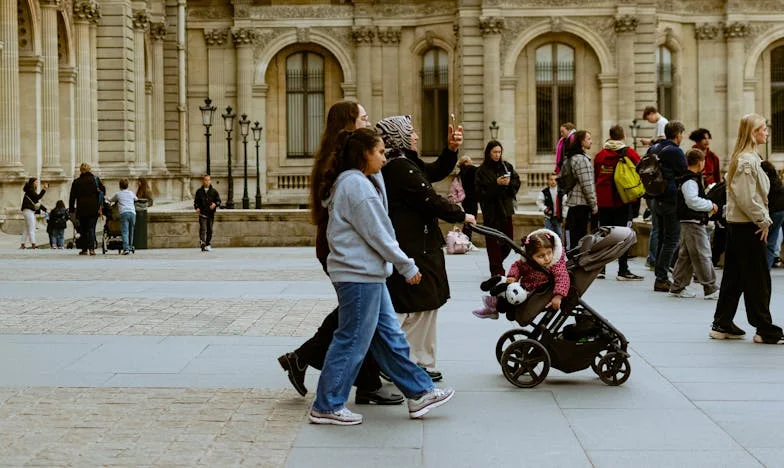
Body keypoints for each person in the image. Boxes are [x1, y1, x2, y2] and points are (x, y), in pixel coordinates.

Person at [309, 127, 455, 425]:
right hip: (359, 276)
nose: (384, 156)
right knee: (351, 340)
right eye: (379, 152)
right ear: (364, 155)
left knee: (390, 339)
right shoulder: (356, 187)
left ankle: (420, 393)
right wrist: (407, 265)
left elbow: (381, 214)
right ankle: (326, 404)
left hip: (367, 274)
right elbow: (379, 232)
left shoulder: (358, 181)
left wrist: (374, 172)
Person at [279, 100, 403, 406]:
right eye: (363, 117)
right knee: (359, 316)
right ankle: (355, 384)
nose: (368, 120)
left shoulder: (348, 156)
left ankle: (364, 381)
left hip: (348, 248)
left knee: (360, 315)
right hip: (344, 249)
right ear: (349, 122)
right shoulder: (341, 162)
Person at [377, 114, 473, 382]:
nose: (416, 136)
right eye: (410, 131)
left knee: (425, 304)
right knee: (414, 305)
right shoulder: (398, 167)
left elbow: (433, 172)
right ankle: (402, 360)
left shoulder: (406, 163)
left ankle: (418, 359)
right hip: (413, 246)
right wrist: (460, 214)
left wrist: (451, 149)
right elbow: (428, 198)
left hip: (420, 243)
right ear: (398, 136)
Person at [710, 114, 784, 344]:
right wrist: (763, 219)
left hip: (740, 226)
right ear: (753, 133)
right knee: (758, 278)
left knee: (736, 276)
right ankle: (764, 327)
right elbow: (746, 197)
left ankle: (723, 323)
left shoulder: (746, 158)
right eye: (763, 129)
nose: (767, 132)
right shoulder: (746, 161)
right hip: (748, 227)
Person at [472, 229, 570, 319]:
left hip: (534, 293)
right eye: (541, 256)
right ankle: (493, 301)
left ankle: (495, 307)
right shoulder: (528, 262)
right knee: (503, 281)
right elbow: (517, 266)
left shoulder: (556, 265)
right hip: (522, 287)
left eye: (549, 253)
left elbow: (563, 278)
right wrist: (512, 276)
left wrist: (558, 296)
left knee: (510, 295)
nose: (547, 258)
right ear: (530, 256)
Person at [593, 125, 644, 281]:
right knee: (624, 235)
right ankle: (623, 270)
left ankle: (600, 269)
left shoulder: (600, 155)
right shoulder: (628, 152)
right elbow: (641, 167)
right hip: (622, 200)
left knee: (604, 235)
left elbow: (596, 175)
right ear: (623, 136)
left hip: (604, 200)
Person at [668, 149, 720, 299]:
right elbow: (692, 201)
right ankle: (710, 287)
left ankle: (677, 286)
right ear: (700, 162)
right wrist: (710, 205)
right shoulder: (690, 180)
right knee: (703, 254)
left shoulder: (687, 178)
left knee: (686, 255)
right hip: (693, 221)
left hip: (688, 221)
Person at [649, 121, 688, 292]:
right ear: (678, 134)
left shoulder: (654, 148)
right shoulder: (675, 151)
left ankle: (660, 274)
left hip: (655, 197)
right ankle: (662, 278)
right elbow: (685, 171)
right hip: (670, 198)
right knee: (671, 239)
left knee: (662, 236)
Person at [476, 140, 521, 275]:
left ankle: (497, 263)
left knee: (508, 242)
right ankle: (496, 270)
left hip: (506, 210)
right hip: (491, 212)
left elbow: (516, 182)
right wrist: (496, 184)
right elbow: (479, 193)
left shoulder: (507, 166)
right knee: (492, 243)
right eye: (494, 152)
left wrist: (508, 184)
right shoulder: (481, 171)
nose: (497, 155)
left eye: (499, 152)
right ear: (489, 153)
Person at [563, 130, 598, 251]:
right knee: (579, 237)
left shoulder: (571, 157)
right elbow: (587, 185)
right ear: (581, 142)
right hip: (581, 204)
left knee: (574, 237)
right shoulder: (581, 160)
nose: (591, 141)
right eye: (588, 139)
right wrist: (593, 205)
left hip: (574, 202)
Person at [69, 163, 104, 256]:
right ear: (89, 169)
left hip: (81, 208)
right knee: (91, 228)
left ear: (80, 170)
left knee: (83, 229)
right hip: (93, 208)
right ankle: (92, 249)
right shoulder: (95, 180)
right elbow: (103, 191)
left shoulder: (76, 182)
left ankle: (84, 249)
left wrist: (71, 209)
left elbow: (72, 197)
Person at [760, 159, 784, 269]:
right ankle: (766, 271)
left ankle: (761, 271)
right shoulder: (777, 182)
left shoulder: (763, 181)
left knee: (762, 241)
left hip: (769, 213)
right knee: (771, 243)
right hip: (780, 212)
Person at [108, 178, 138, 255]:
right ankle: (130, 246)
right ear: (127, 185)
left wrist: (107, 198)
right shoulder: (131, 193)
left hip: (124, 213)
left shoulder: (118, 194)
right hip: (132, 212)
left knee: (125, 231)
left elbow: (111, 200)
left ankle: (126, 248)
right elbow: (136, 199)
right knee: (131, 231)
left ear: (119, 186)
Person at [194, 174, 221, 252]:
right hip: (202, 213)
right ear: (203, 181)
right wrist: (197, 208)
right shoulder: (199, 191)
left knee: (210, 230)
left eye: (209, 180)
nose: (207, 181)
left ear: (210, 181)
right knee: (203, 228)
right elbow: (196, 202)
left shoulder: (214, 191)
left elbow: (219, 201)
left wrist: (215, 204)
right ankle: (203, 242)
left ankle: (208, 243)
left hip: (210, 214)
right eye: (206, 180)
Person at [20, 177, 48, 249]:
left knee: (27, 228)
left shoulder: (30, 191)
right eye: (36, 182)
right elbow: (38, 197)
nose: (37, 184)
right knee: (32, 227)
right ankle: (33, 244)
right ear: (32, 183)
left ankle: (22, 244)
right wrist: (44, 189)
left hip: (27, 211)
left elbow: (36, 202)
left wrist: (45, 209)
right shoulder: (30, 190)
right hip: (28, 211)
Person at [536, 173, 564, 240]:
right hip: (548, 216)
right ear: (548, 181)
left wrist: (564, 215)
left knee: (559, 233)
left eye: (555, 180)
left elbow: (564, 204)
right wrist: (544, 208)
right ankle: (549, 247)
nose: (553, 181)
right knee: (548, 233)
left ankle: (558, 248)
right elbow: (539, 202)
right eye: (551, 179)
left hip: (558, 217)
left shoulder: (561, 192)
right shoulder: (544, 192)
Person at [456, 155, 478, 242]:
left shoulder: (460, 172)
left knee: (467, 219)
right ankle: (466, 240)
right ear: (466, 162)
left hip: (464, 199)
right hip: (471, 199)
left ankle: (465, 239)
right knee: (471, 220)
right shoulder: (471, 169)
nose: (472, 162)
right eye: (470, 160)